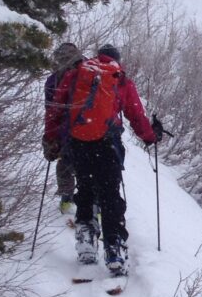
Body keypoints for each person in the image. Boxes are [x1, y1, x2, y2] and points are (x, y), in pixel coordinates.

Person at [44, 43, 156, 276]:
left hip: (79, 143)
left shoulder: (77, 74)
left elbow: (56, 109)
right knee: (110, 194)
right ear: (116, 59)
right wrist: (150, 137)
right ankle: (114, 248)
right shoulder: (120, 78)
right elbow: (135, 113)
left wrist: (51, 139)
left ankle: (86, 238)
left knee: (85, 188)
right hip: (108, 145)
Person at [41, 41, 85, 218]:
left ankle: (67, 200)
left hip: (65, 129)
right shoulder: (90, 73)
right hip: (90, 128)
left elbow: (51, 110)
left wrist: (50, 137)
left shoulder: (53, 80)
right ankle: (92, 204)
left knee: (65, 163)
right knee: (87, 166)